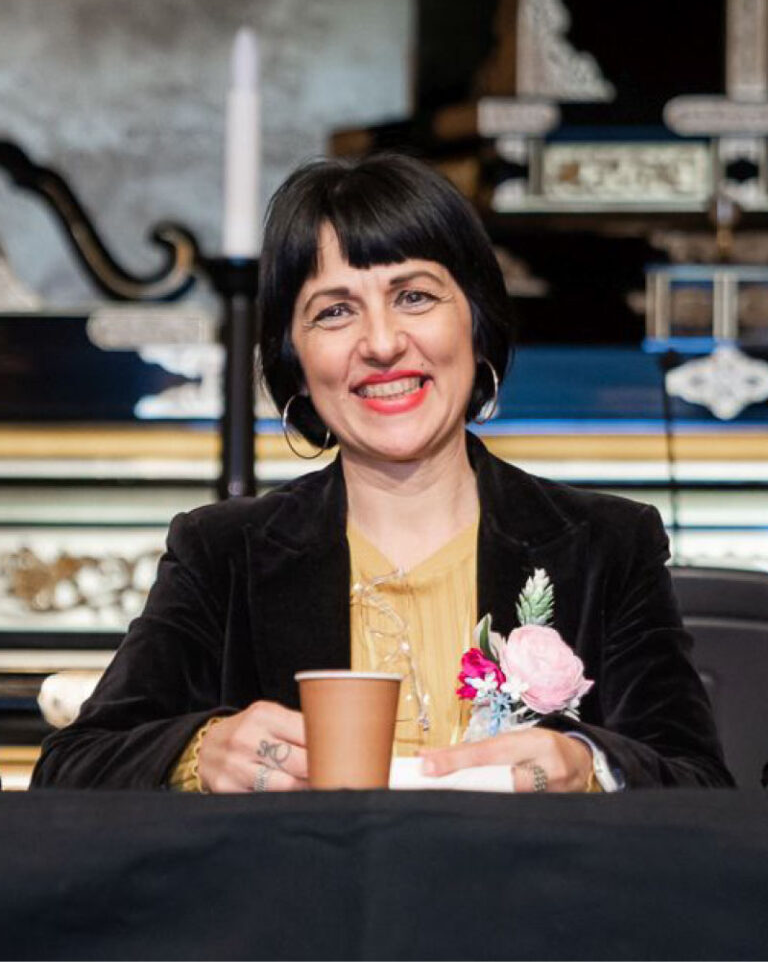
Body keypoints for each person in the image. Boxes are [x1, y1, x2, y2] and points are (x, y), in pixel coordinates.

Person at [32, 153, 733, 793]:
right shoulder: (223, 554)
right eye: (335, 311)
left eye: (414, 297)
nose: (382, 343)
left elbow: (700, 788)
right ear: (294, 360)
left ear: (476, 322)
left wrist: (591, 768)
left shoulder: (606, 544)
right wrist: (200, 753)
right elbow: (71, 771)